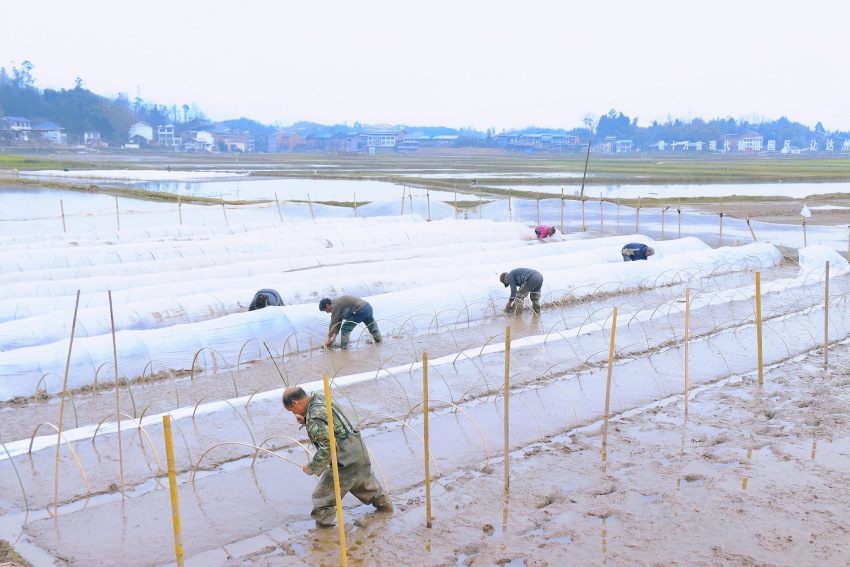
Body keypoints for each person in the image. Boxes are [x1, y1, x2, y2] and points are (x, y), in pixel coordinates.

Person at [283, 386, 392, 528]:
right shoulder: (320, 398)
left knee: (323, 497)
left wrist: (313, 467)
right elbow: (330, 420)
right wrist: (306, 418)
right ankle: (386, 508)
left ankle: (324, 530)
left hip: (345, 457)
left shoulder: (315, 417)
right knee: (364, 483)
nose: (293, 413)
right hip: (357, 447)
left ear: (295, 403)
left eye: (291, 410)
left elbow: (329, 446)